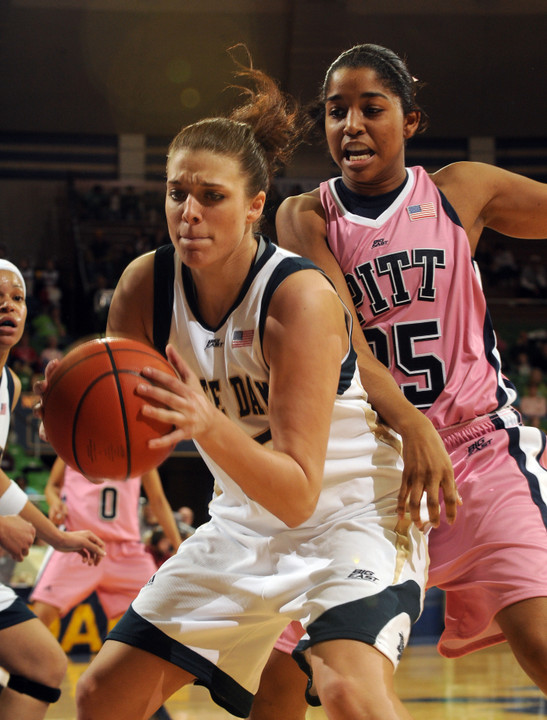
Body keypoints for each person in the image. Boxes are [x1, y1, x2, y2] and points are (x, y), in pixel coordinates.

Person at [36, 60, 431, 720]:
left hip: (349, 515)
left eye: (210, 196)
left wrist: (205, 422)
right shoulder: (144, 286)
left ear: (255, 206)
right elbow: (121, 446)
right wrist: (71, 406)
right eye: (174, 194)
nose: (187, 213)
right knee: (104, 695)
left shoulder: (298, 299)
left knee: (348, 694)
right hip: (245, 522)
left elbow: (300, 491)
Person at [253, 41, 547, 718]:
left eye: (369, 108)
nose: (349, 124)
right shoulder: (305, 215)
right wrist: (411, 424)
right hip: (366, 463)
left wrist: (429, 431)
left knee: (536, 635)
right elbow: (341, 336)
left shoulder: (459, 190)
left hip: (477, 453)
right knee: (280, 677)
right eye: (334, 112)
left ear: (409, 120)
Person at [0, 259, 105, 720]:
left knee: (43, 664)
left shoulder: (9, 381)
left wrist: (58, 539)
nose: (9, 306)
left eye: (17, 298)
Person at [30, 458, 182, 631]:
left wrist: (179, 546)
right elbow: (52, 486)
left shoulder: (138, 446)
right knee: (40, 617)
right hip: (79, 544)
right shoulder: (73, 440)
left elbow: (158, 501)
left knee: (159, 616)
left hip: (127, 551)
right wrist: (55, 503)